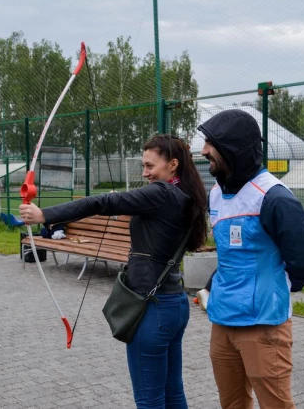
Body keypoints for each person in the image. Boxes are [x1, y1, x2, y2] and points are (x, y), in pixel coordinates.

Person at [20, 135, 208, 409]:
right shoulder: (184, 195)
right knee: (172, 392)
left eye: (150, 166)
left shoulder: (160, 193)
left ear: (173, 165)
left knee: (149, 401)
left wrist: (44, 215)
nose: (145, 173)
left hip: (152, 308)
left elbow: (99, 204)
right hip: (174, 305)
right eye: (143, 166)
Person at [198, 109, 304, 409]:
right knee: (232, 404)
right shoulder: (215, 195)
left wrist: (268, 290)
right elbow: (230, 256)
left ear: (233, 147)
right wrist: (213, 287)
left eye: (211, 143)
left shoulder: (275, 198)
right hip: (222, 323)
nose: (204, 151)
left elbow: (303, 265)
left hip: (263, 326)